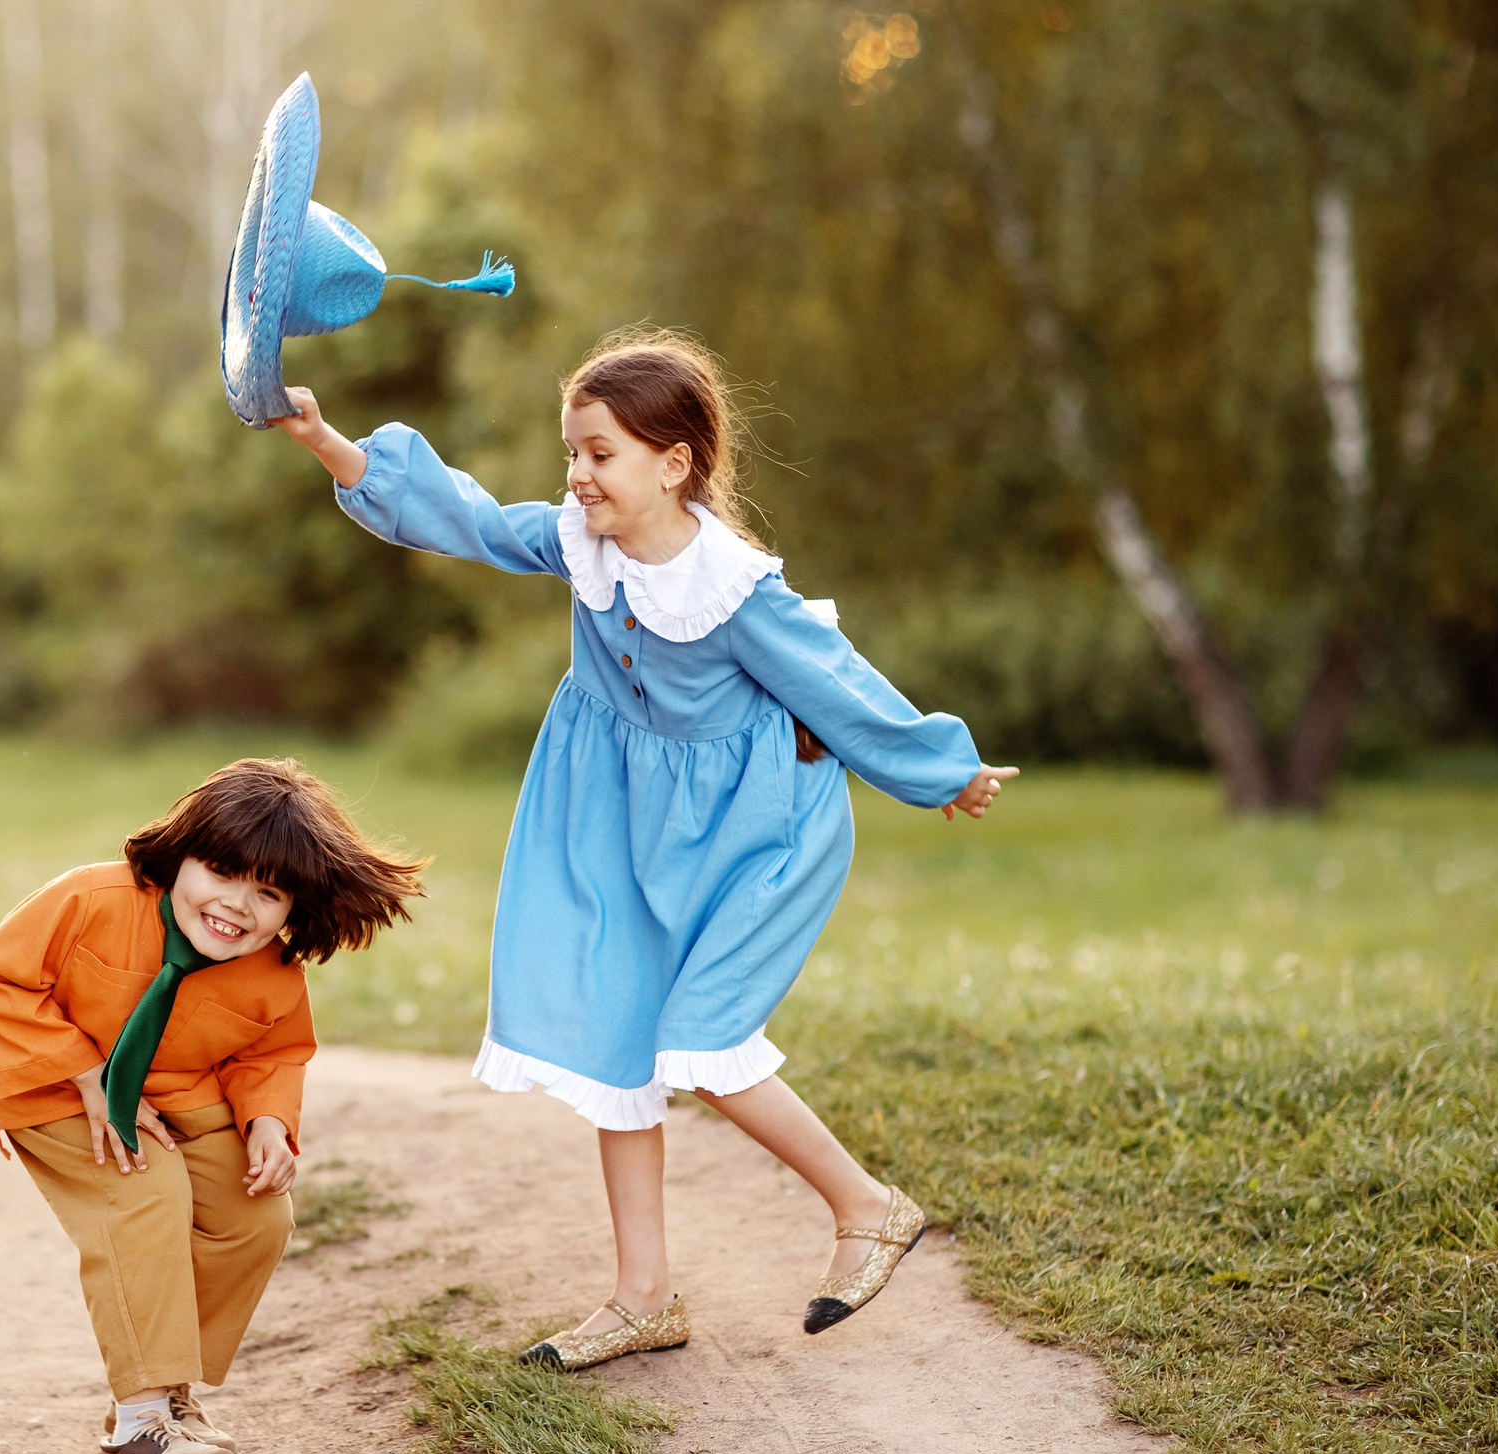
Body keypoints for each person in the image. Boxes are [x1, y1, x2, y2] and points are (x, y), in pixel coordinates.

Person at [272, 331, 1017, 1370]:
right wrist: (324, 442)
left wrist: (945, 771)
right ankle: (642, 1298)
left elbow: (835, 681)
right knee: (617, 1043)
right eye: (571, 453)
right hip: (616, 820)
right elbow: (467, 518)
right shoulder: (581, 544)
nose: (577, 475)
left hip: (756, 835)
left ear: (674, 464)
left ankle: (868, 1205)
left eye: (600, 454)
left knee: (701, 1041)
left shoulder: (735, 591)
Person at [0, 758, 426, 1454]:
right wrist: (84, 1072)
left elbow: (271, 1052)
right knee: (145, 1193)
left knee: (256, 1215)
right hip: (53, 1078)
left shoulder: (273, 968)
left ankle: (172, 1387)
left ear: (293, 907)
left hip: (181, 1093)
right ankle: (138, 1428)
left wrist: (270, 1122)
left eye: (268, 892)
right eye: (220, 871)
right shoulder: (91, 899)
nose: (236, 906)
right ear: (180, 851)